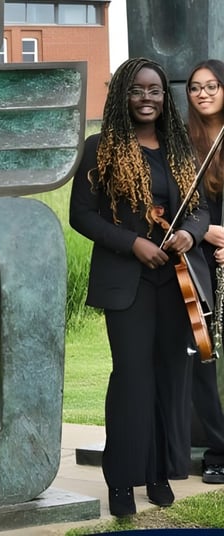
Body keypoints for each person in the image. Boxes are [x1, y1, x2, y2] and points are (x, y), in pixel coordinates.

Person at [69, 57, 210, 517]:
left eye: (154, 91)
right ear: (121, 96)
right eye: (136, 90)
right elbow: (82, 215)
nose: (146, 98)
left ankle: (158, 473)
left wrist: (189, 232)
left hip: (175, 281)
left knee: (170, 377)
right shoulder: (100, 148)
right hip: (126, 281)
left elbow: (200, 209)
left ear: (162, 98)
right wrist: (132, 244)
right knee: (131, 378)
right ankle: (123, 481)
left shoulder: (181, 149)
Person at [185, 58, 224, 485]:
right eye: (196, 87)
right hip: (198, 261)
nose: (204, 93)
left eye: (213, 85)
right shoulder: (181, 143)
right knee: (204, 354)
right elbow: (167, 202)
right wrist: (209, 232)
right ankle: (218, 448)